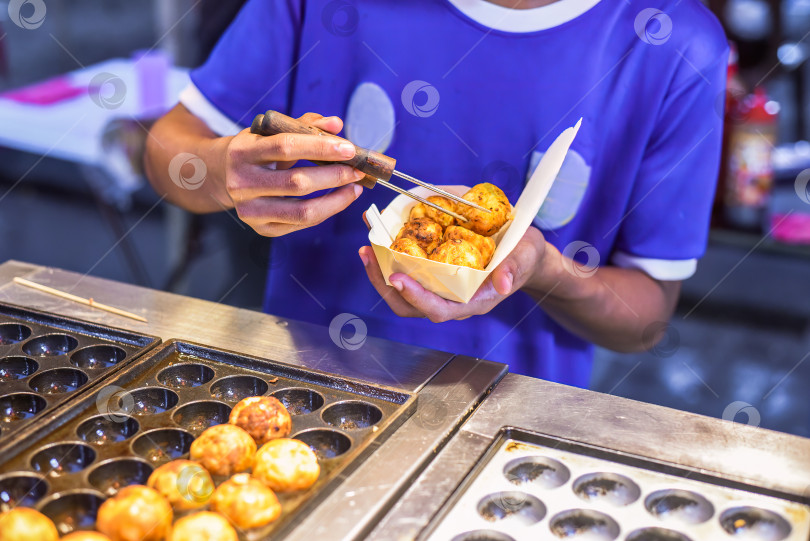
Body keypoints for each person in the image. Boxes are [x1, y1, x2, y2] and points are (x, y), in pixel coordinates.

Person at [145, 0, 728, 388]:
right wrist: (224, 170)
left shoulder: (675, 43)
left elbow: (645, 318)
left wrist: (543, 268)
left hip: (513, 422)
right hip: (305, 392)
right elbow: (168, 148)